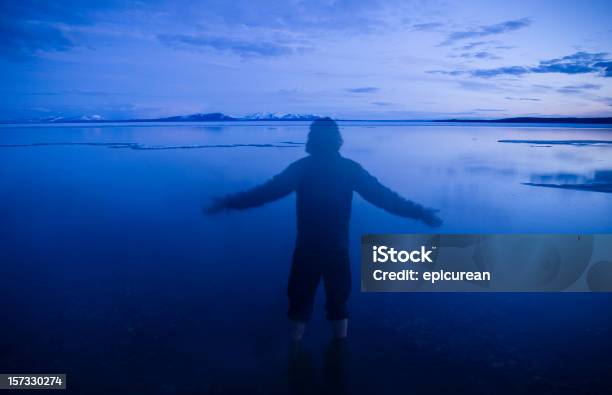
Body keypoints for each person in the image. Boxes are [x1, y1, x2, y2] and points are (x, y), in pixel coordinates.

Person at [205, 118, 442, 341]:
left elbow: (266, 193)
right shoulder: (350, 169)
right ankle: (338, 357)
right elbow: (385, 198)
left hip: (307, 248)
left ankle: (296, 357)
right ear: (338, 140)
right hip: (337, 248)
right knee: (338, 304)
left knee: (299, 304)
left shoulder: (302, 168)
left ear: (311, 139)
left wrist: (228, 203)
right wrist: (421, 212)